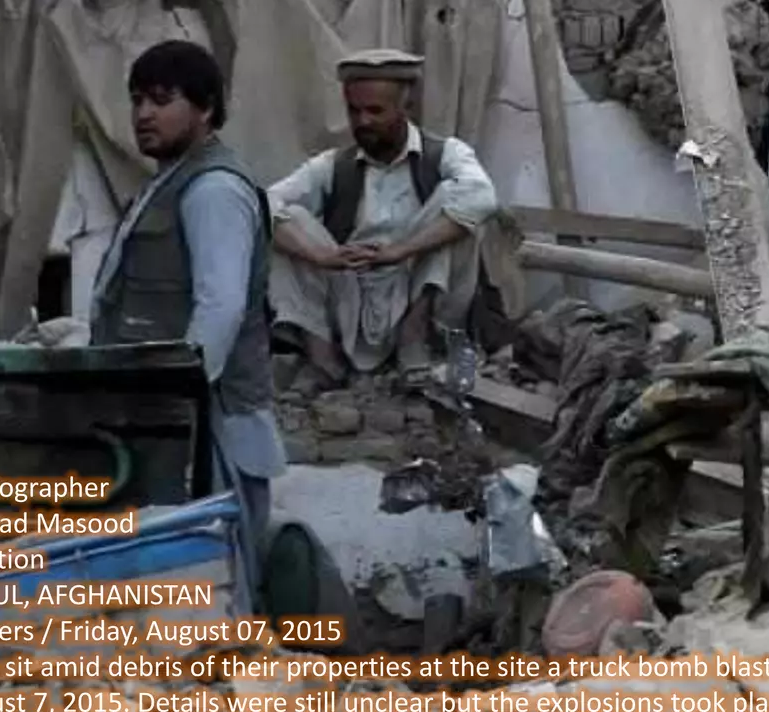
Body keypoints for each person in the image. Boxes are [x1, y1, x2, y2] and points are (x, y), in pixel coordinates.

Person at [89, 39, 285, 564]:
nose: (143, 114)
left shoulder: (213, 189)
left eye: (160, 99)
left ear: (204, 109)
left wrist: (178, 408)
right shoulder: (167, 184)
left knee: (211, 576)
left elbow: (219, 310)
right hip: (172, 421)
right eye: (136, 100)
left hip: (207, 424)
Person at [266, 48, 499, 391]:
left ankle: (413, 340)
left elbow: (483, 198)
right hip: (351, 293)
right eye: (354, 111)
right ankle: (323, 359)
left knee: (459, 202)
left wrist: (401, 250)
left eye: (375, 110)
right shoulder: (332, 166)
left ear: (407, 108)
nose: (363, 122)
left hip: (417, 290)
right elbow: (260, 204)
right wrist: (322, 256)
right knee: (286, 219)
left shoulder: (447, 154)